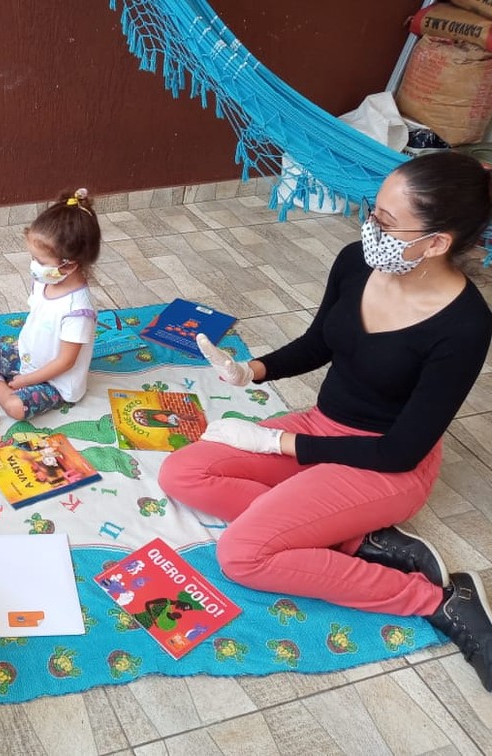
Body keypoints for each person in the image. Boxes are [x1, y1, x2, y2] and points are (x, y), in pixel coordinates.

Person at [158, 151, 492, 690]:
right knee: (182, 473)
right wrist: (253, 370)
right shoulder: (356, 261)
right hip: (321, 427)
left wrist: (282, 444)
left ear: (436, 243)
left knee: (242, 555)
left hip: (385, 464)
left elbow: (400, 452)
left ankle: (439, 599)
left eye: (385, 221)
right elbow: (321, 341)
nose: (370, 227)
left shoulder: (466, 326)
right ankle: (358, 541)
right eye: (372, 210)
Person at [0, 187, 102, 445]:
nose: (34, 266)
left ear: (70, 264)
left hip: (55, 383)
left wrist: (24, 381)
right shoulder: (45, 283)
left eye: (41, 261)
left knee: (16, 408)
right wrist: (20, 358)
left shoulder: (78, 309)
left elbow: (65, 362)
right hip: (25, 359)